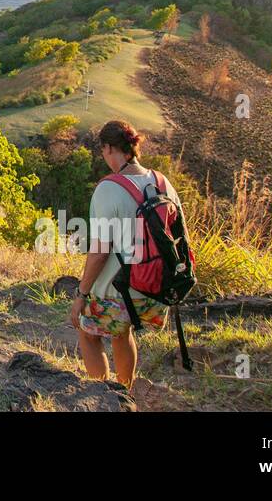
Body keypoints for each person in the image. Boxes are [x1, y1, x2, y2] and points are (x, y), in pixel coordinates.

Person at [69, 119, 182, 387]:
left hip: (117, 291)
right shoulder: (163, 183)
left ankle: (101, 394)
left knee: (86, 331)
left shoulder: (109, 188)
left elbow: (99, 252)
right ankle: (125, 390)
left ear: (108, 148)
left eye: (103, 151)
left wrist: (81, 295)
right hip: (155, 290)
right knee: (122, 332)